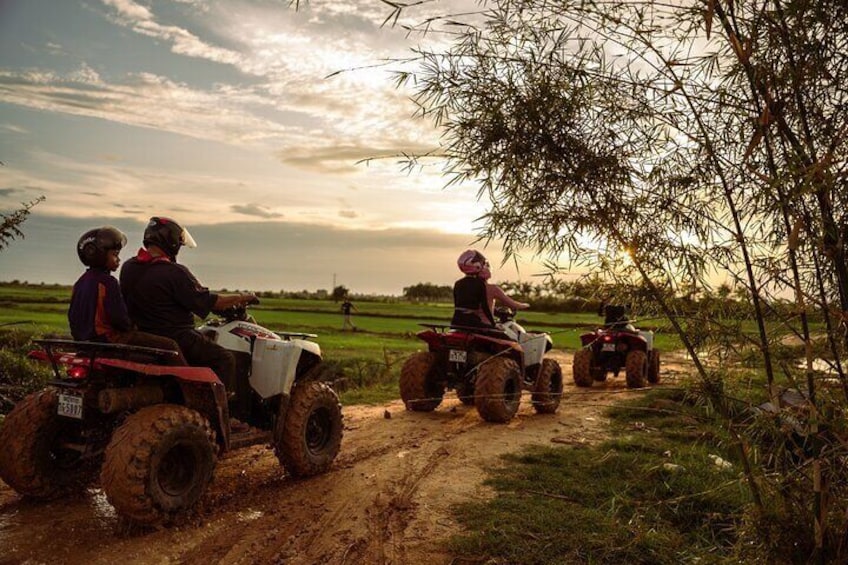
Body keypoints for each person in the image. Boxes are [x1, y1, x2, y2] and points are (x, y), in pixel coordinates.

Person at [119, 217, 256, 425]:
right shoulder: (175, 272)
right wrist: (241, 297)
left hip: (144, 337)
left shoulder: (129, 267)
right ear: (171, 242)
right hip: (176, 336)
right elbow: (211, 302)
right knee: (225, 359)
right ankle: (223, 417)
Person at [68, 225, 187, 365]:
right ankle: (190, 385)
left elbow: (72, 315)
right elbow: (119, 318)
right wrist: (132, 326)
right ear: (99, 255)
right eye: (114, 255)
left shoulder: (80, 282)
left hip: (84, 343)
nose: (118, 259)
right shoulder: (108, 282)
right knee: (170, 345)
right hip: (108, 340)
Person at [451, 249, 529, 329]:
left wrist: (496, 312)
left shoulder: (458, 283)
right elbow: (485, 307)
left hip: (456, 323)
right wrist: (493, 325)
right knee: (510, 340)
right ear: (477, 265)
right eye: (483, 264)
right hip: (474, 324)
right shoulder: (482, 285)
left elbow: (460, 305)